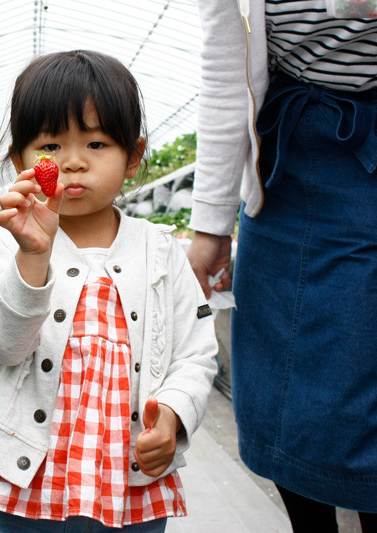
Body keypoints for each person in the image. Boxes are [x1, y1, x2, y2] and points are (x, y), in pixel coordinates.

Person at [0, 50, 218, 533]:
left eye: (96, 144)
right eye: (50, 145)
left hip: (127, 480)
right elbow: (1, 344)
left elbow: (195, 353)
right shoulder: (4, 242)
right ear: (20, 160)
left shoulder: (161, 251)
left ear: (132, 157)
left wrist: (175, 413)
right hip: (25, 482)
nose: (72, 162)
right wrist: (33, 254)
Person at [187, 1, 377, 531]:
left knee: (365, 388)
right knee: (281, 383)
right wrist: (211, 228)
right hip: (288, 165)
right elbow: (227, 81)